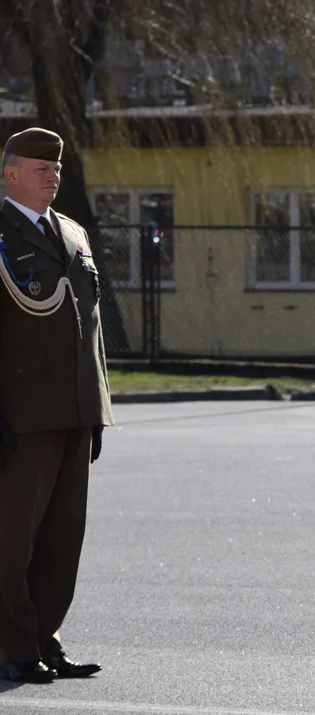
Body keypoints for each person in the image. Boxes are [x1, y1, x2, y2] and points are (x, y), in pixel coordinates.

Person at [0, 127, 113, 683]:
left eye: (57, 167)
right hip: (21, 411)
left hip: (73, 408)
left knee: (63, 538)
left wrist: (96, 406)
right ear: (10, 173)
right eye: (40, 167)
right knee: (12, 538)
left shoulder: (71, 233)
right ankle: (13, 646)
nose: (53, 175)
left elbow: (89, 327)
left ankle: (45, 640)